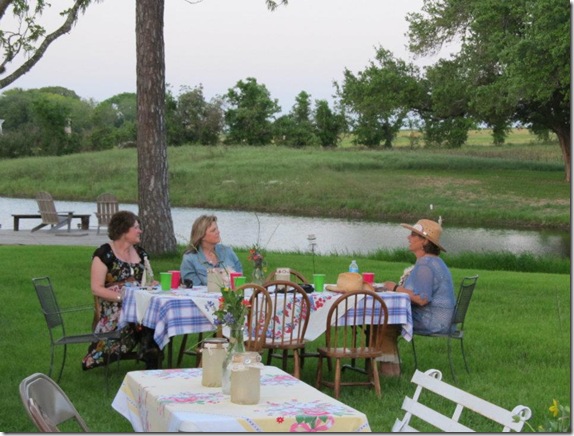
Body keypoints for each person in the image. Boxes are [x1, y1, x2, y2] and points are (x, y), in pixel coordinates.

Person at [82, 210, 162, 370]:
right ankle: (151, 353)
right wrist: (122, 298)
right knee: (144, 315)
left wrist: (152, 284)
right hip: (114, 310)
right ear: (124, 231)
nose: (140, 231)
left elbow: (147, 280)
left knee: (158, 312)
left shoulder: (141, 253)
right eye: (136, 227)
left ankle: (150, 352)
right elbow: (96, 289)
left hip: (140, 305)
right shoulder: (104, 254)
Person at [381, 219, 455, 335]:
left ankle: (384, 352)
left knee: (381, 318)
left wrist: (394, 288)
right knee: (383, 316)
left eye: (413, 235)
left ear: (425, 241)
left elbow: (422, 299)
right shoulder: (433, 261)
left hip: (433, 322)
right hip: (440, 320)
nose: (408, 238)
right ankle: (386, 352)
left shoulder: (426, 265)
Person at [180, 214, 243, 286]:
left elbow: (240, 281)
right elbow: (193, 289)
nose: (218, 232)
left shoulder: (228, 252)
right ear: (202, 236)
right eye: (213, 230)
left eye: (217, 228)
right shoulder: (190, 259)